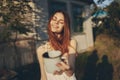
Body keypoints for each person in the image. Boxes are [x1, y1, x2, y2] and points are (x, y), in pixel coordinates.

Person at [36, 10, 77, 80]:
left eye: (61, 22)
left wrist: (67, 69)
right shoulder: (41, 50)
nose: (56, 22)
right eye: (54, 19)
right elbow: (43, 76)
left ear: (65, 26)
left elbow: (70, 73)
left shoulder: (71, 43)